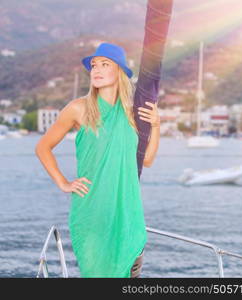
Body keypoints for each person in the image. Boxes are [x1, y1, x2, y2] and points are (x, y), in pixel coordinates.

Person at [35, 42, 160, 278]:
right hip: (92, 214)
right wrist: (63, 182)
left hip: (128, 217)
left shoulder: (132, 113)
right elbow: (43, 147)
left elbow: (149, 160)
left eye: (105, 64)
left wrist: (156, 125)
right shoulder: (78, 108)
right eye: (94, 65)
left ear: (119, 71)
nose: (97, 70)